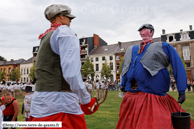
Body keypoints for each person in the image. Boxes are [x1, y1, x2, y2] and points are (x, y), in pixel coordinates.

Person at [27, 4, 99, 129]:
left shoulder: (45, 37)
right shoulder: (64, 32)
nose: (70, 20)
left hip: (41, 101)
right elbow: (71, 73)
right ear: (60, 17)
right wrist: (85, 100)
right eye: (68, 17)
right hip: (61, 102)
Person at [116, 24, 194, 129]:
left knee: (155, 124)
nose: (143, 32)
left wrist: (181, 90)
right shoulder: (130, 49)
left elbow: (178, 65)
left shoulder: (163, 46)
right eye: (141, 30)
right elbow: (125, 67)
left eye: (145, 30)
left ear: (152, 32)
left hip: (152, 97)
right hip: (132, 96)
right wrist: (123, 83)